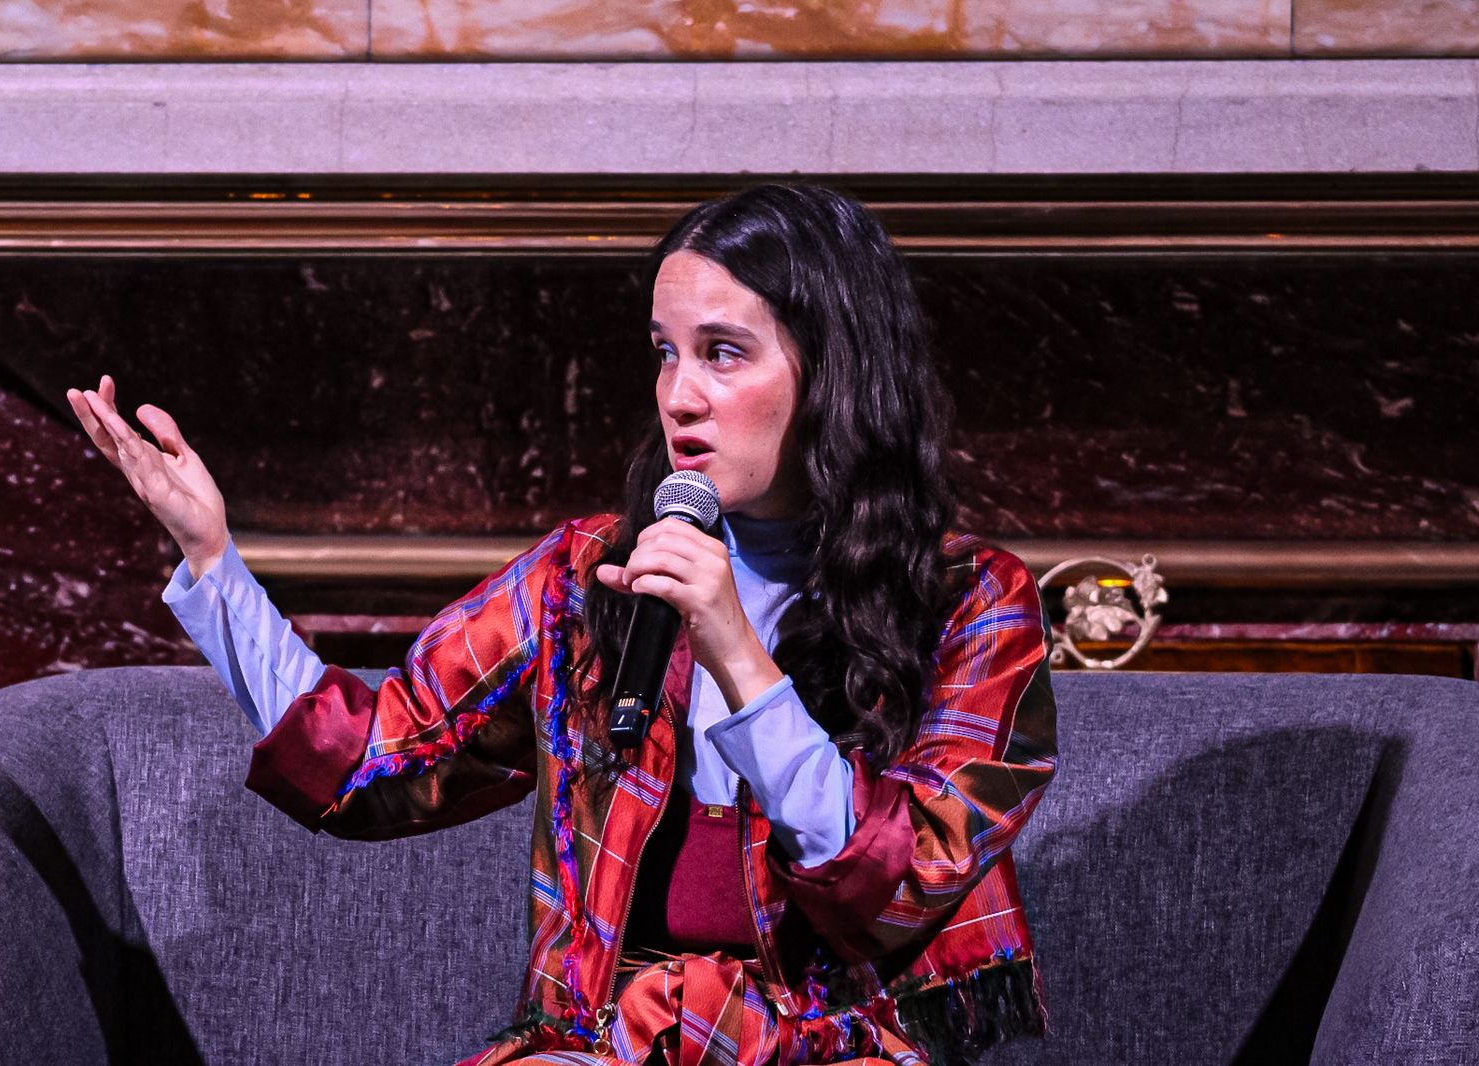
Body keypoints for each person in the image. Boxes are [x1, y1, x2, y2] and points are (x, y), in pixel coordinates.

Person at [65, 183, 1059, 1066]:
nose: (680, 396)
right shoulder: (586, 576)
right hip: (608, 1039)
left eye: (723, 354)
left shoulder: (971, 602)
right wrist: (212, 559)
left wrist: (738, 653)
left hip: (841, 1038)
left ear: (831, 370)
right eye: (665, 354)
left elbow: (898, 886)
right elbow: (375, 762)